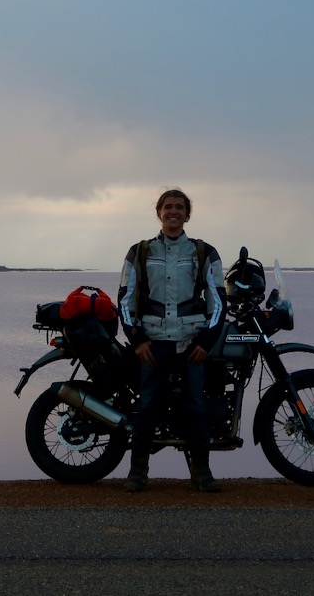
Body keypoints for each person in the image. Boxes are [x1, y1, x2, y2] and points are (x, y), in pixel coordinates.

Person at [117, 188, 225, 493]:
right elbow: (125, 298)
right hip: (152, 342)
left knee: (195, 406)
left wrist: (206, 341)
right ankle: (137, 473)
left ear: (187, 214)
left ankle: (202, 474)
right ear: (159, 213)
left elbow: (217, 300)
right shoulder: (140, 251)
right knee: (148, 405)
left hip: (191, 342)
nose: (173, 212)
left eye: (179, 207)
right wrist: (136, 339)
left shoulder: (203, 252)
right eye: (167, 207)